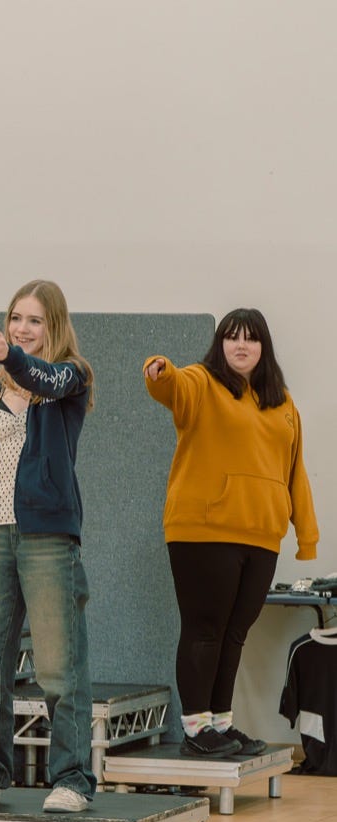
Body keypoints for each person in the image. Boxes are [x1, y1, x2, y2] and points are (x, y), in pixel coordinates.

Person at [0, 280, 96, 814]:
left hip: (47, 535)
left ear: (53, 326)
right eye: (16, 318)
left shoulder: (70, 377)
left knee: (58, 667)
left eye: (34, 320)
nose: (22, 328)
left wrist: (12, 356)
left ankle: (72, 779)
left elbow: (40, 376)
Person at [145, 308, 319, 757]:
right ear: (220, 344)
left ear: (264, 347)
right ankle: (196, 728)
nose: (241, 345)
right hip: (203, 531)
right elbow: (174, 387)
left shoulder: (283, 403)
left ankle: (219, 724)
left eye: (251, 338)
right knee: (204, 629)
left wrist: (306, 535)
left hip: (261, 535)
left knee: (234, 633)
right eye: (232, 337)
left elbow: (294, 471)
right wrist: (161, 372)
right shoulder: (202, 382)